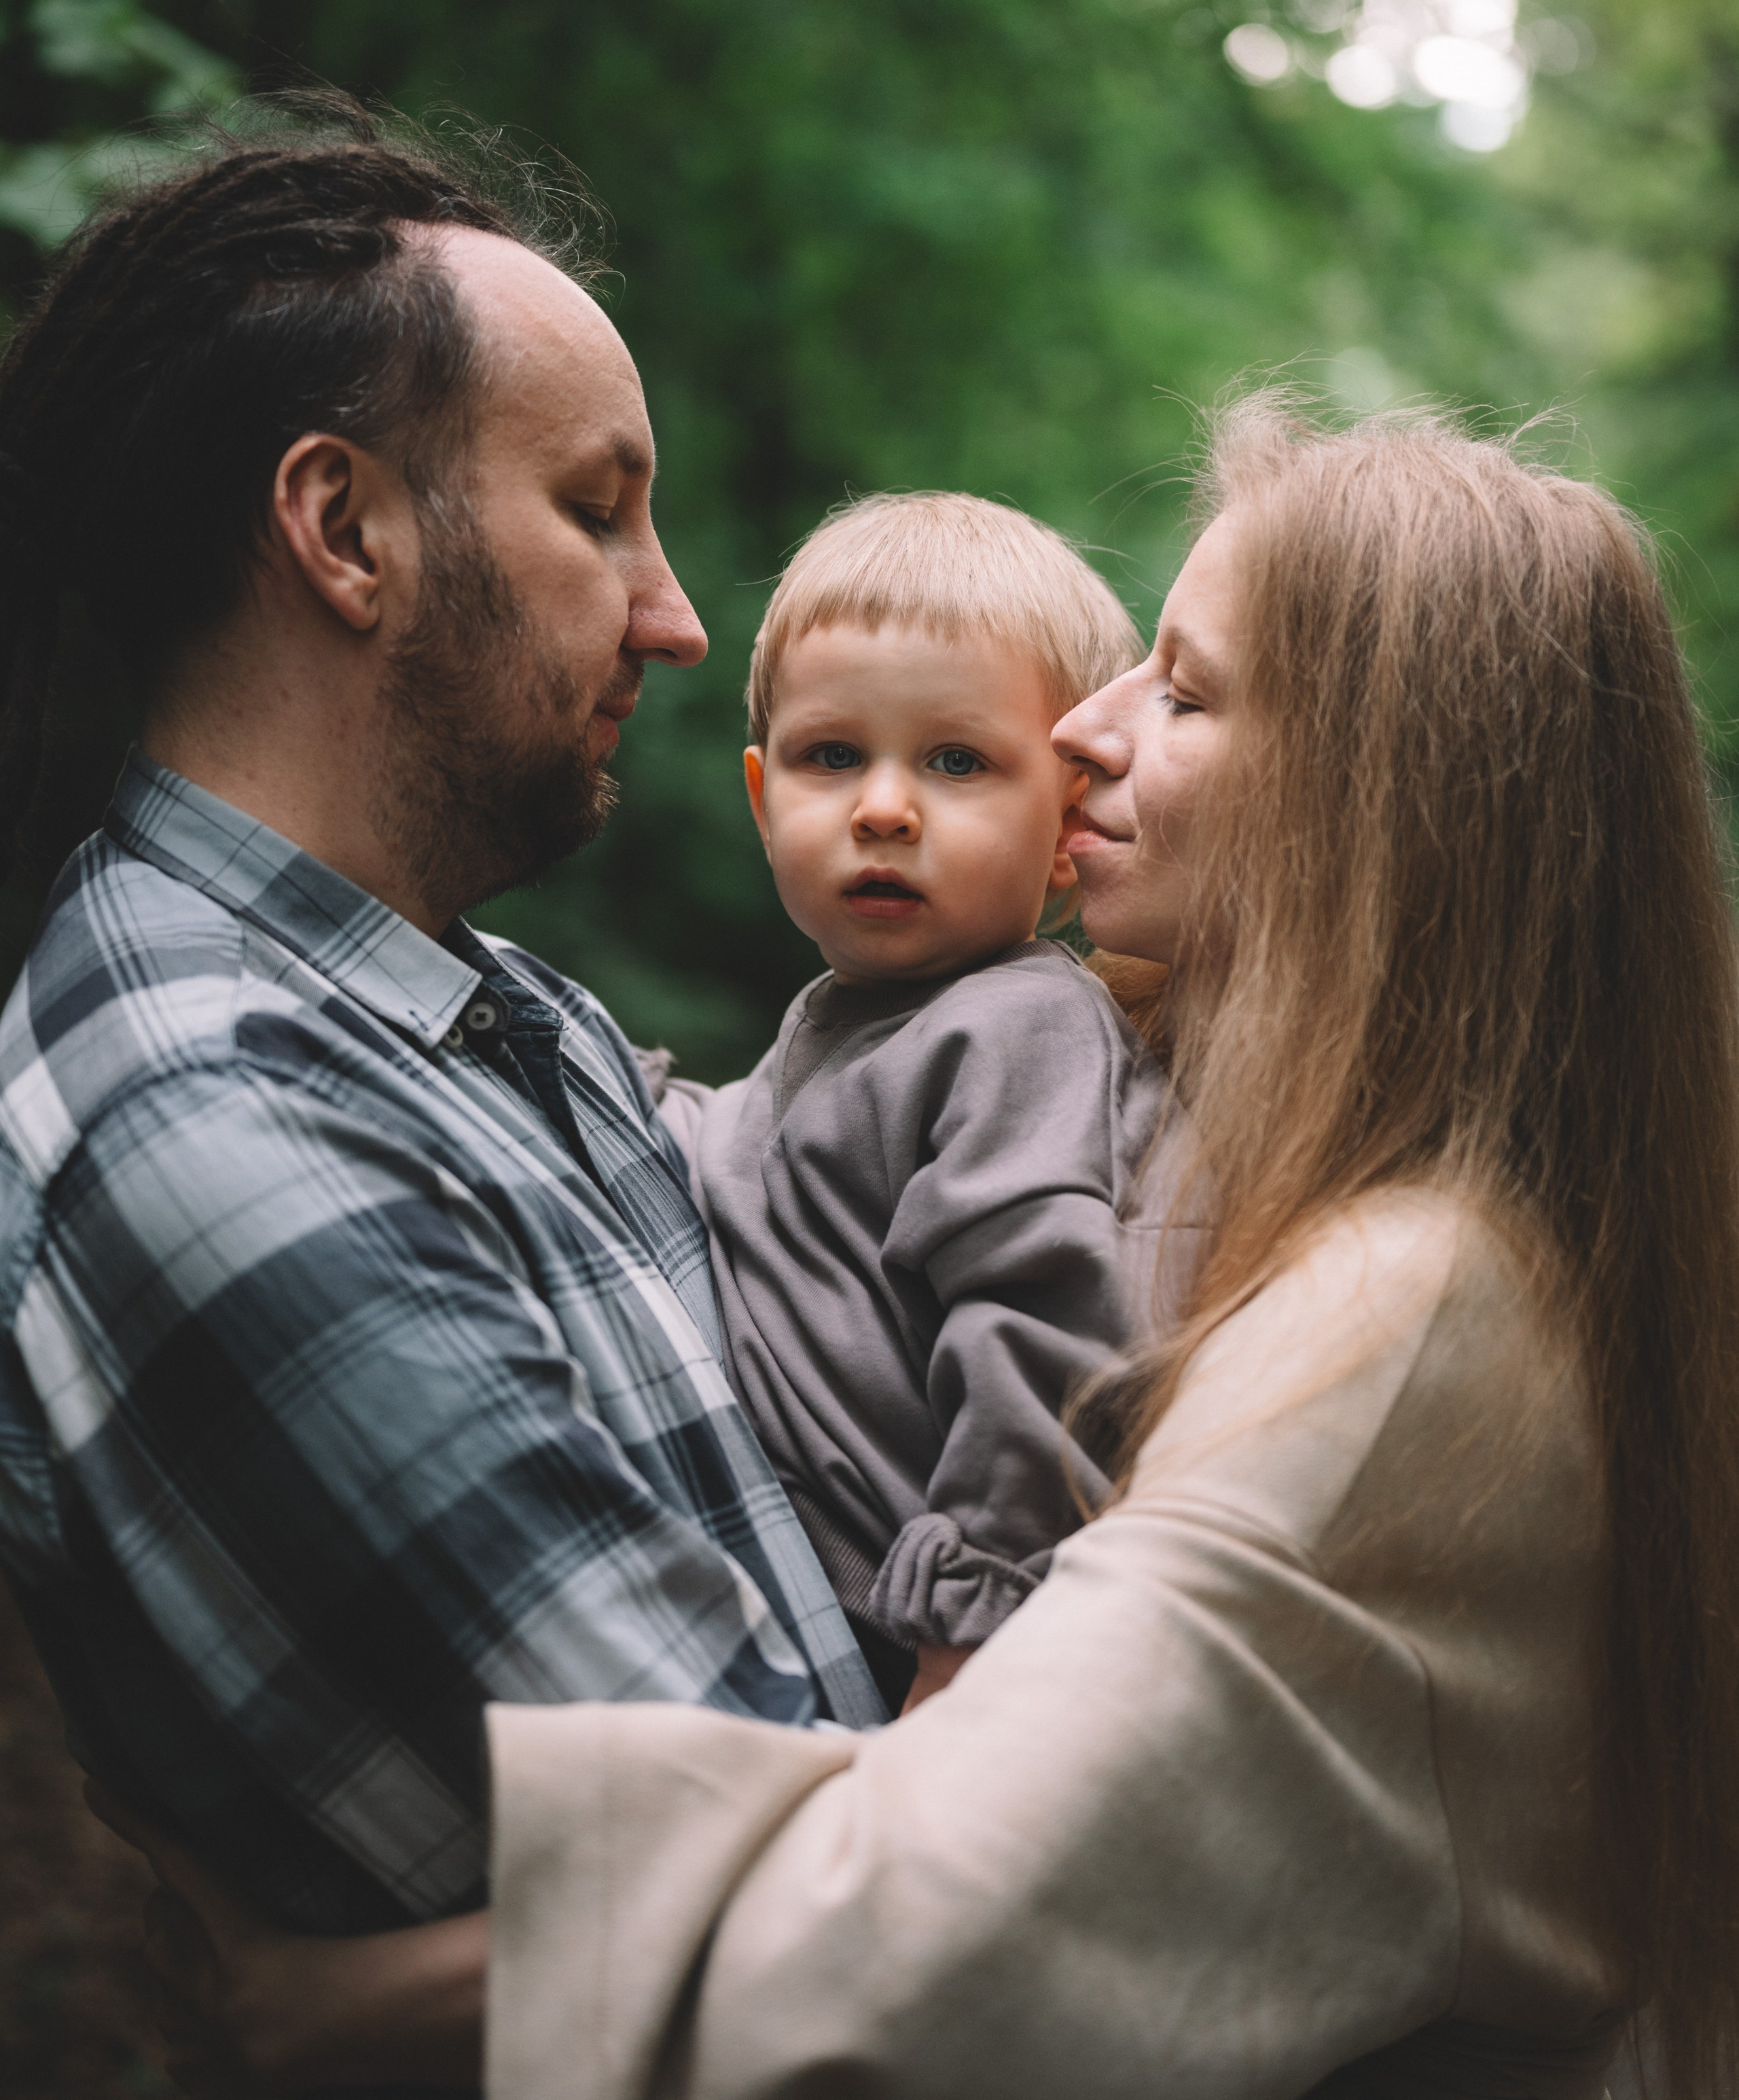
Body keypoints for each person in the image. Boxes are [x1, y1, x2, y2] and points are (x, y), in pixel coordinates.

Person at [120, 397, 1739, 2099]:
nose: (1085, 733)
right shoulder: (1214, 1145)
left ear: (1383, 802)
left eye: (1181, 693)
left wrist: (331, 2011)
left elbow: (961, 1913)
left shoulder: (1404, 1312)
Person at [0, 101, 883, 1976]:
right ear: (344, 531)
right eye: (594, 508)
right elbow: (836, 1918)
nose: (675, 618)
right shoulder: (208, 1111)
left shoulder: (478, 1010)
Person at [652, 491, 1196, 1714]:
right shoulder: (850, 1022)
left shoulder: (1022, 1028)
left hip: (938, 1643)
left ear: (1068, 831)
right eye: (831, 756)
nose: (884, 806)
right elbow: (757, 1154)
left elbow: (1047, 1329)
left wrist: (975, 1623)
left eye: (956, 762)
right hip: (813, 1600)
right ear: (762, 798)